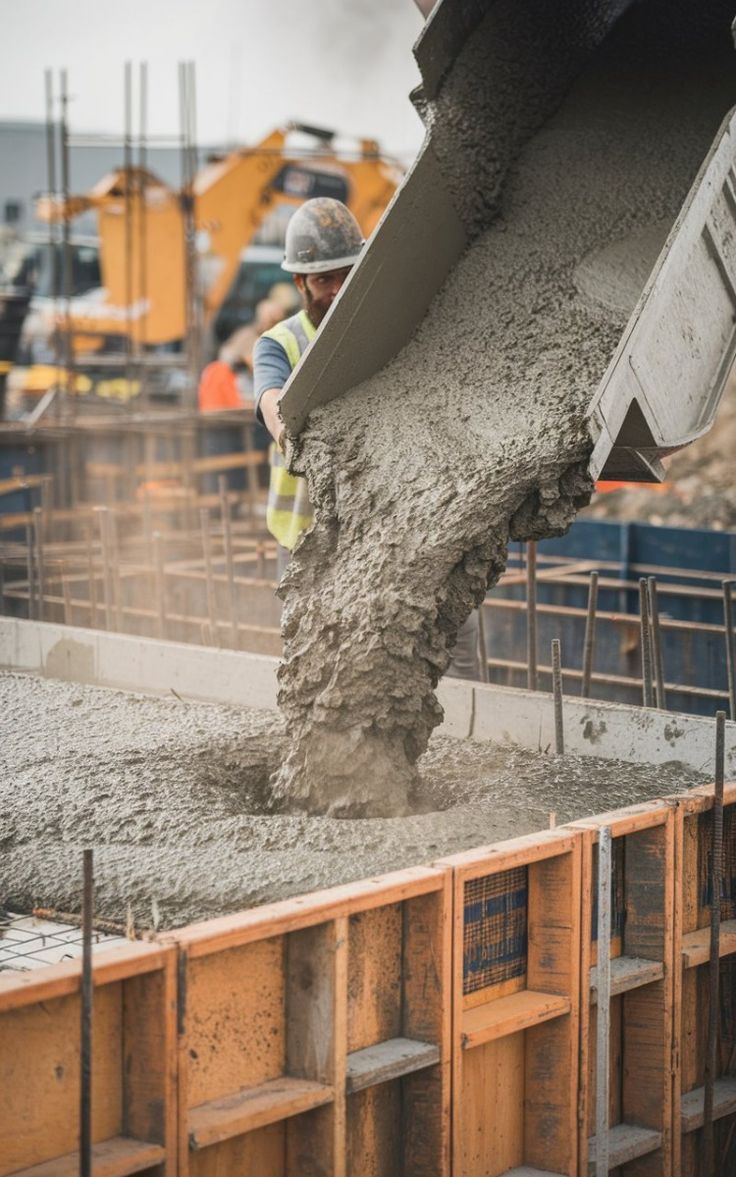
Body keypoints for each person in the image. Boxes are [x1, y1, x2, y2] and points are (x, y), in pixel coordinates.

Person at [253, 196, 482, 680]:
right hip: (309, 543)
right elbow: (271, 399)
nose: (336, 290)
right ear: (300, 282)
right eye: (322, 280)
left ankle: (468, 741)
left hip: (394, 531)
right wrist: (288, 430)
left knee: (452, 637)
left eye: (345, 274)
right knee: (318, 660)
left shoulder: (390, 332)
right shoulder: (280, 343)